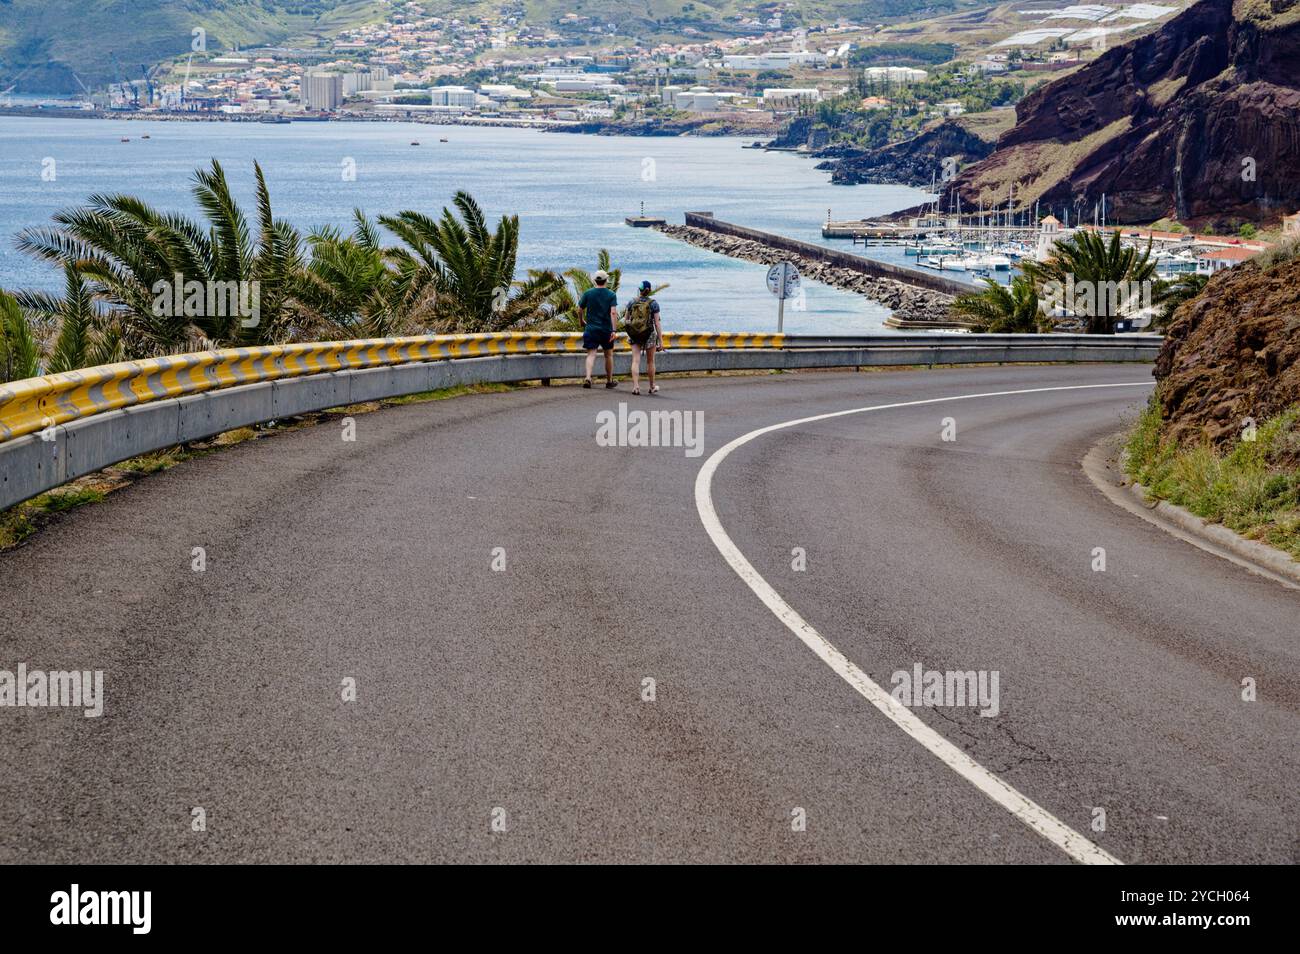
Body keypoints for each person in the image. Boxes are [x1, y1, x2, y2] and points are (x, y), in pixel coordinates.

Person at [578, 270, 618, 389]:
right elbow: (613, 312)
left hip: (591, 329)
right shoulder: (611, 295)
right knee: (608, 355)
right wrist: (614, 330)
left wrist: (581, 321)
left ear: (595, 280)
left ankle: (588, 377)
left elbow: (579, 309)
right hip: (606, 329)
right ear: (606, 280)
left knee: (591, 354)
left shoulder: (588, 293)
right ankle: (609, 380)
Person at [623, 281, 663, 395]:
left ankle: (636, 387)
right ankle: (652, 386)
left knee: (635, 360)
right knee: (650, 362)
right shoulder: (653, 304)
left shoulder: (632, 302)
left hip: (635, 334)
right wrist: (661, 340)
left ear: (639, 290)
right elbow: (657, 323)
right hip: (649, 335)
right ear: (649, 290)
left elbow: (626, 320)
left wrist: (632, 331)